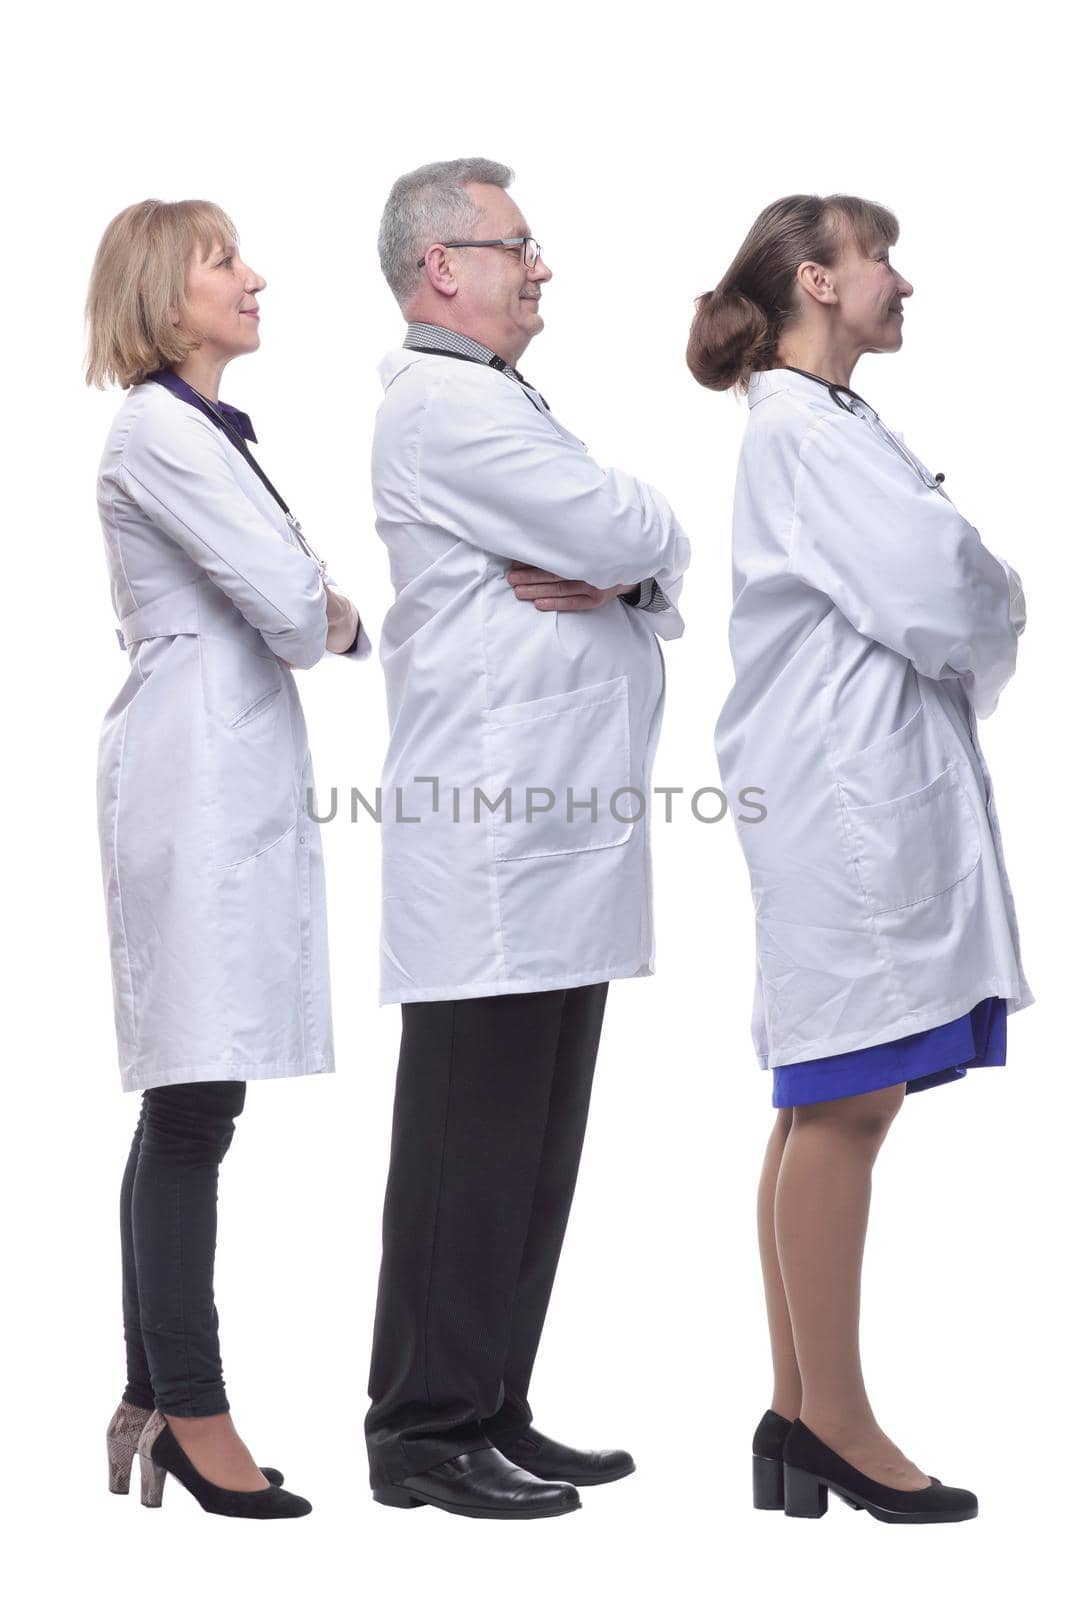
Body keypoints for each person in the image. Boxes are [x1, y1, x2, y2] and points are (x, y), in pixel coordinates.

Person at [688, 194, 1031, 1524]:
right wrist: (1000, 593)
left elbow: (928, 582)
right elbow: (942, 587)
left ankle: (790, 1416)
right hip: (847, 805)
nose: (900, 280)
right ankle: (833, 1418)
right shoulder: (795, 426)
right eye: (876, 258)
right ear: (814, 283)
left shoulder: (821, 423)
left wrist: (970, 588)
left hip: (853, 791)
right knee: (841, 1100)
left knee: (822, 1100)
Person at [364, 157, 690, 1519]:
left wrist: (633, 564)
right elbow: (629, 522)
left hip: (554, 838)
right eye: (516, 245)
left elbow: (638, 555)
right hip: (492, 849)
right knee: (467, 1146)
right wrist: (636, 549)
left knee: (534, 1143)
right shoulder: (443, 407)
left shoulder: (495, 401)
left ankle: (493, 1403)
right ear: (442, 265)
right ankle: (421, 1433)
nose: (538, 266)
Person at [86, 198, 370, 1519]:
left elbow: (300, 596)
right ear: (163, 291)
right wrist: (321, 604)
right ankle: (194, 1412)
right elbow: (291, 602)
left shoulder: (201, 434)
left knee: (198, 1101)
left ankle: (155, 1394)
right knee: (194, 1102)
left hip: (223, 770)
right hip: (191, 780)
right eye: (222, 262)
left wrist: (316, 601)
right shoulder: (154, 429)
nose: (253, 278)